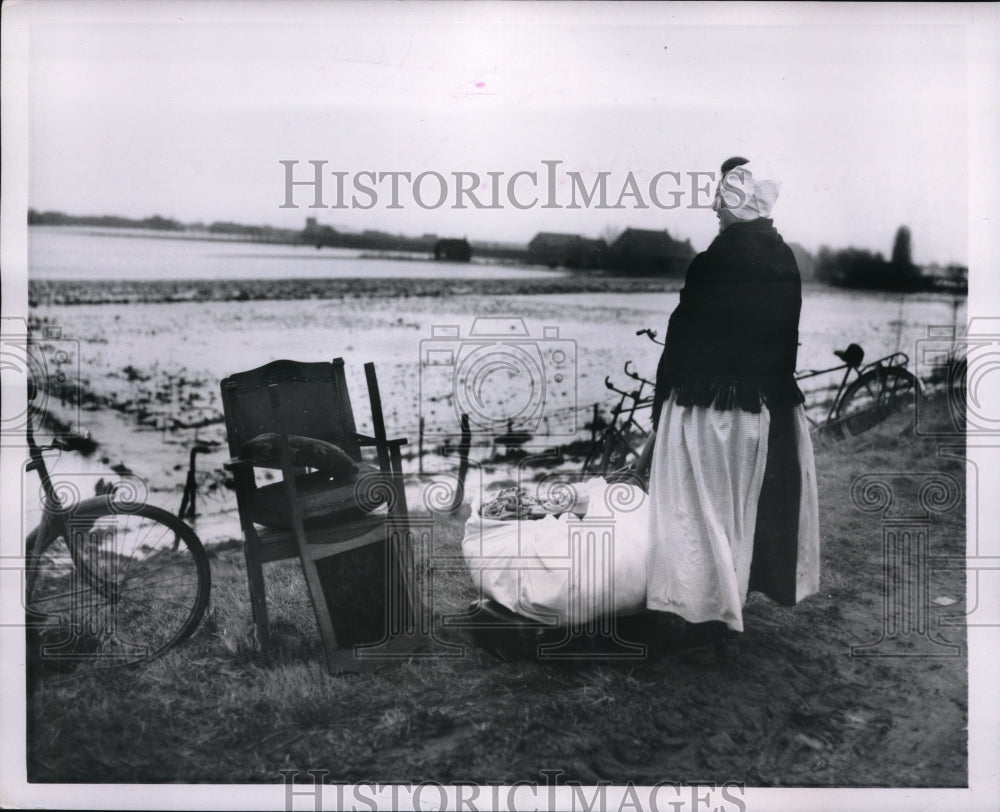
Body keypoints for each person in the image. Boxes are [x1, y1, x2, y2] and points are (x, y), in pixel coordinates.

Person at [645, 157, 820, 644]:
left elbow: (681, 339)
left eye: (720, 201)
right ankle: (725, 607)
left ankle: (703, 618)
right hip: (762, 410)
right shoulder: (784, 258)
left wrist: (661, 410)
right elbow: (786, 342)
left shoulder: (714, 261)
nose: (714, 209)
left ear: (737, 205)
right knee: (738, 512)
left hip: (708, 410)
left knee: (699, 513)